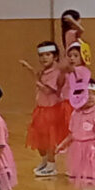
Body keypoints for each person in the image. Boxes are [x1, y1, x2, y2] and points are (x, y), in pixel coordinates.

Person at [26, 41, 68, 178]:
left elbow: (48, 90)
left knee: (50, 138)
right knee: (39, 136)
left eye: (48, 54)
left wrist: (36, 80)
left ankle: (51, 165)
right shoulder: (44, 71)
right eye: (41, 55)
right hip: (41, 108)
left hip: (52, 109)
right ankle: (44, 161)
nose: (44, 58)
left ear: (55, 56)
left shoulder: (56, 72)